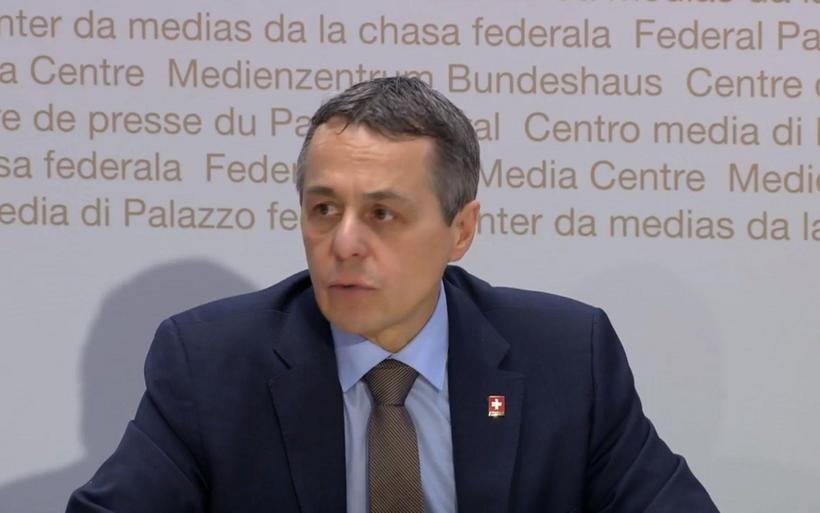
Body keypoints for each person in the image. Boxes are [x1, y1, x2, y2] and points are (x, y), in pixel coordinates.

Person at [66, 77, 719, 513]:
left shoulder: (566, 357)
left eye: (382, 214)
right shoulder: (211, 363)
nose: (345, 243)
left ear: (460, 230)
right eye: (324, 209)